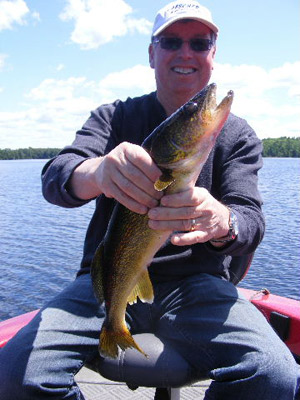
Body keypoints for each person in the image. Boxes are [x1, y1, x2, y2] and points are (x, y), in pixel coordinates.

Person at [0, 1, 299, 399]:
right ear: (151, 53)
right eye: (171, 41)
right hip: (105, 282)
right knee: (16, 376)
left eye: (200, 42)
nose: (186, 52)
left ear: (213, 52)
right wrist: (97, 172)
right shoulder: (114, 118)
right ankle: (113, 323)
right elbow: (56, 177)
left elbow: (251, 222)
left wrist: (223, 220)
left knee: (275, 377)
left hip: (199, 285)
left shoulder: (237, 135)